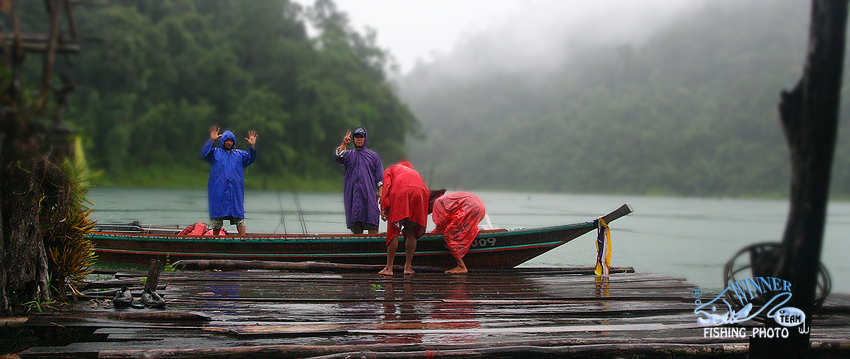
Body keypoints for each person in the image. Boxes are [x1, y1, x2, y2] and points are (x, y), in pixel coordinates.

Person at [202, 126, 257, 236]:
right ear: (222, 141)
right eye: (226, 140)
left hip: (235, 191)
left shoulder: (240, 155)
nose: (229, 143)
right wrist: (212, 141)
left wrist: (252, 146)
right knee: (216, 221)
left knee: (239, 218)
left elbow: (251, 158)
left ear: (234, 142)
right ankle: (214, 242)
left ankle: (243, 240)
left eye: (231, 141)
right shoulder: (215, 153)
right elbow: (205, 154)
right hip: (218, 190)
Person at [378, 160, 429, 275]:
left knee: (394, 230)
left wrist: (384, 208)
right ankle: (408, 267)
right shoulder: (414, 172)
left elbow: (386, 186)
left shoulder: (391, 169)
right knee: (411, 231)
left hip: (401, 191)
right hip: (420, 193)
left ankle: (389, 268)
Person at [335, 127, 384, 234]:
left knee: (372, 224)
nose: (359, 139)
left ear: (365, 138)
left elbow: (380, 178)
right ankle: (358, 246)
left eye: (361, 137)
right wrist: (344, 143)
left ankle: (374, 248)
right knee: (356, 225)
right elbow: (338, 156)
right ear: (353, 139)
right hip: (353, 195)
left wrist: (380, 192)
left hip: (369, 195)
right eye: (356, 137)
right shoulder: (348, 155)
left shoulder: (373, 156)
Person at [430, 190, 486, 274]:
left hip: (469, 208)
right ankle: (461, 254)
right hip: (479, 208)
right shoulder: (448, 198)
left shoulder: (438, 202)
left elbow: (440, 223)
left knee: (450, 235)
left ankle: (461, 266)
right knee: (462, 232)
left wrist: (433, 234)